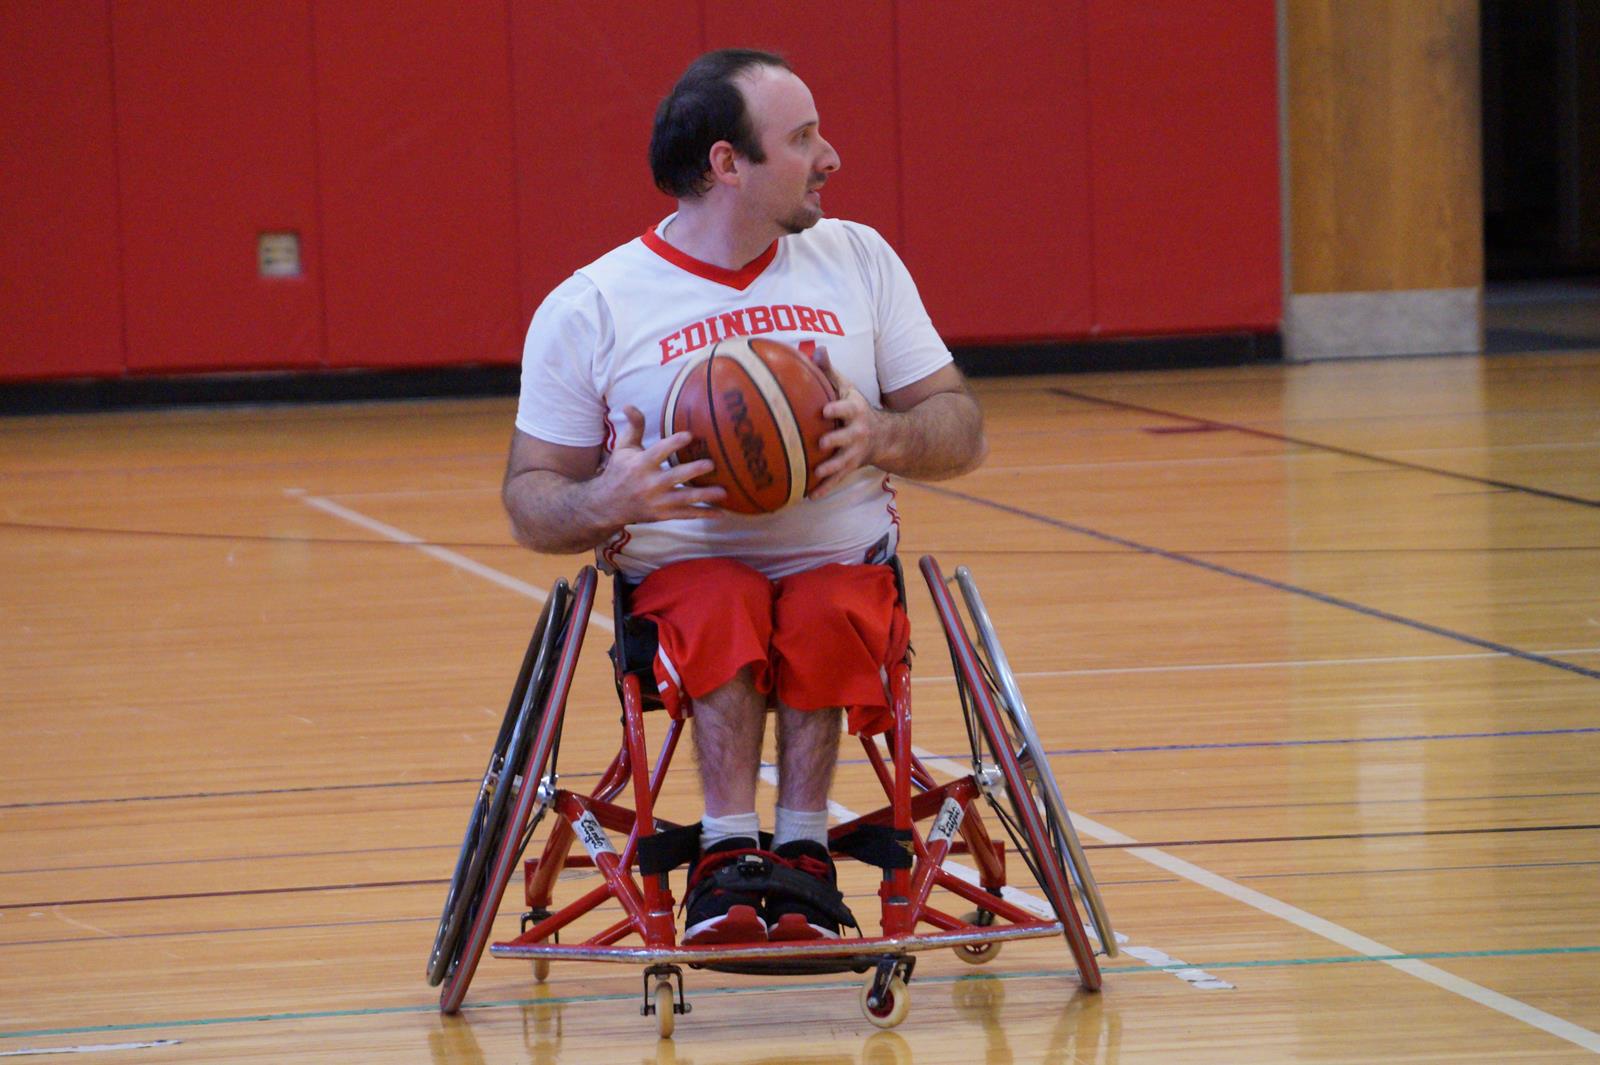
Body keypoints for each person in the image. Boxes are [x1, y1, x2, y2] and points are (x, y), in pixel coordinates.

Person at [502, 48, 986, 946]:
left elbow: (962, 428)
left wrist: (884, 433)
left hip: (843, 565)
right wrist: (610, 494)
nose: (830, 156)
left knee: (824, 603)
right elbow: (532, 501)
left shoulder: (859, 259)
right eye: (802, 138)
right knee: (721, 598)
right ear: (728, 163)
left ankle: (801, 854)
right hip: (680, 578)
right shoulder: (593, 304)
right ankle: (726, 855)